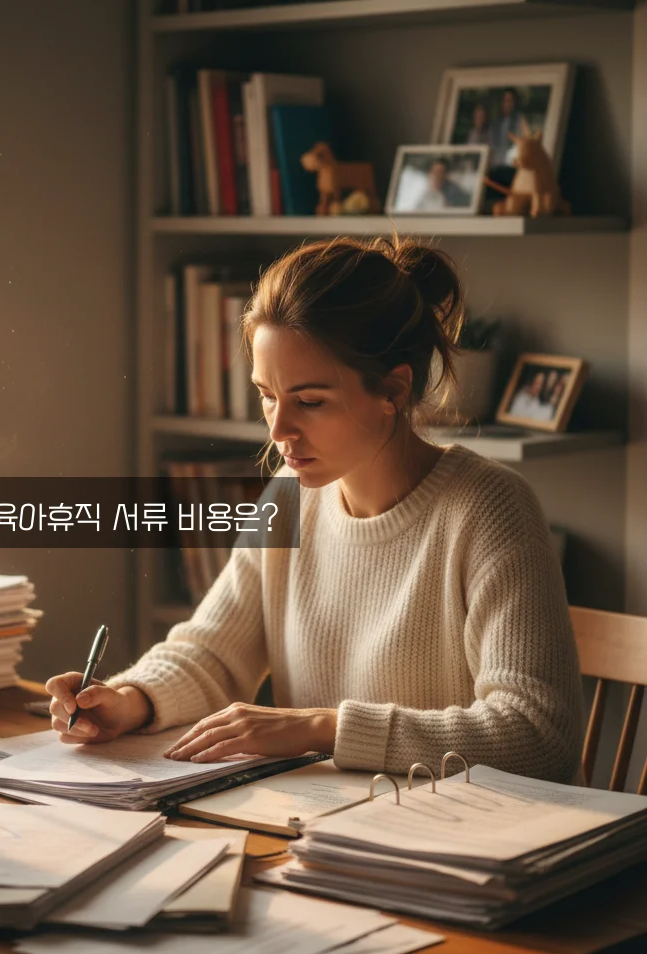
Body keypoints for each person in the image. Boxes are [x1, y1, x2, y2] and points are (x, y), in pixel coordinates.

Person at [45, 237, 583, 783]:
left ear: (393, 390)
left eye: (309, 401)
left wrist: (323, 728)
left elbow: (538, 734)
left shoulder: (490, 508)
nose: (278, 429)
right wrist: (131, 699)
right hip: (320, 821)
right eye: (267, 395)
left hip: (455, 827)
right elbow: (214, 653)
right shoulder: (289, 497)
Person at [489, 88, 524, 167]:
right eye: (505, 101)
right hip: (496, 163)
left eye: (509, 101)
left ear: (514, 103)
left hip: (511, 164)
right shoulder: (496, 122)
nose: (507, 104)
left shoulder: (519, 120)